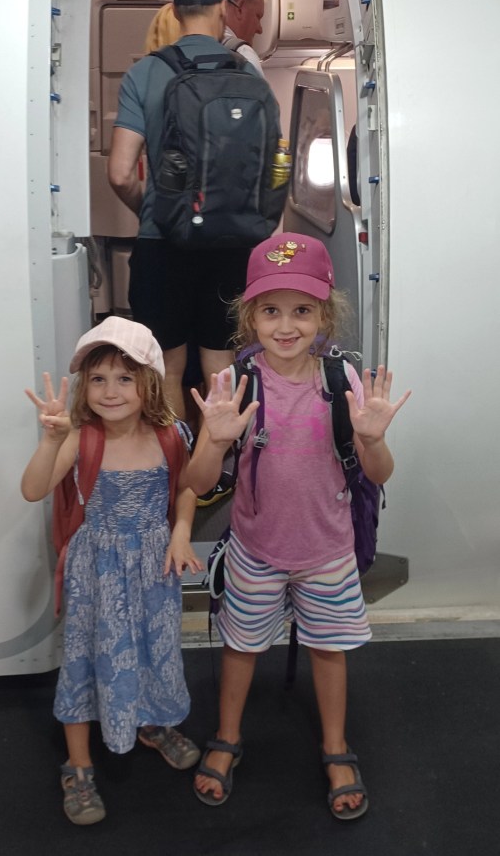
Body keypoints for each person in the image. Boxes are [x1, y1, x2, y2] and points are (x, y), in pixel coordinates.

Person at [185, 233, 411, 818]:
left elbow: (378, 473)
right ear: (250, 317)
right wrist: (214, 439)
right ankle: (229, 736)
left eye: (302, 310)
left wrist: (373, 438)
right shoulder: (236, 385)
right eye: (270, 310)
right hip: (255, 550)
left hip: (328, 552)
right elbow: (196, 481)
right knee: (240, 647)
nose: (286, 326)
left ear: (324, 315)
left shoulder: (342, 383)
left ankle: (335, 744)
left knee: (329, 650)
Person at [21, 316, 203, 826]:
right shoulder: (81, 438)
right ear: (85, 386)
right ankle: (78, 766)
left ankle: (152, 722)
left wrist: (182, 531)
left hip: (153, 568)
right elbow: (34, 490)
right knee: (85, 658)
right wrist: (50, 441)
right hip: (95, 573)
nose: (110, 390)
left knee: (154, 648)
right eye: (98, 378)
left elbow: (187, 487)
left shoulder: (170, 435)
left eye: (124, 378)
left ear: (148, 381)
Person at [108, 0, 275, 422]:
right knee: (221, 364)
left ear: (176, 8)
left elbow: (121, 173)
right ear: (224, 6)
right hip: (231, 241)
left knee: (167, 368)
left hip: (164, 242)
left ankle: (181, 477)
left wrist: (156, 210)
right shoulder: (248, 72)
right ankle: (218, 473)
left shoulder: (144, 74)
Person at [223, 0, 267, 76]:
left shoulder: (196, 47)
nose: (259, 29)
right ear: (240, 9)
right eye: (258, 16)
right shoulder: (243, 55)